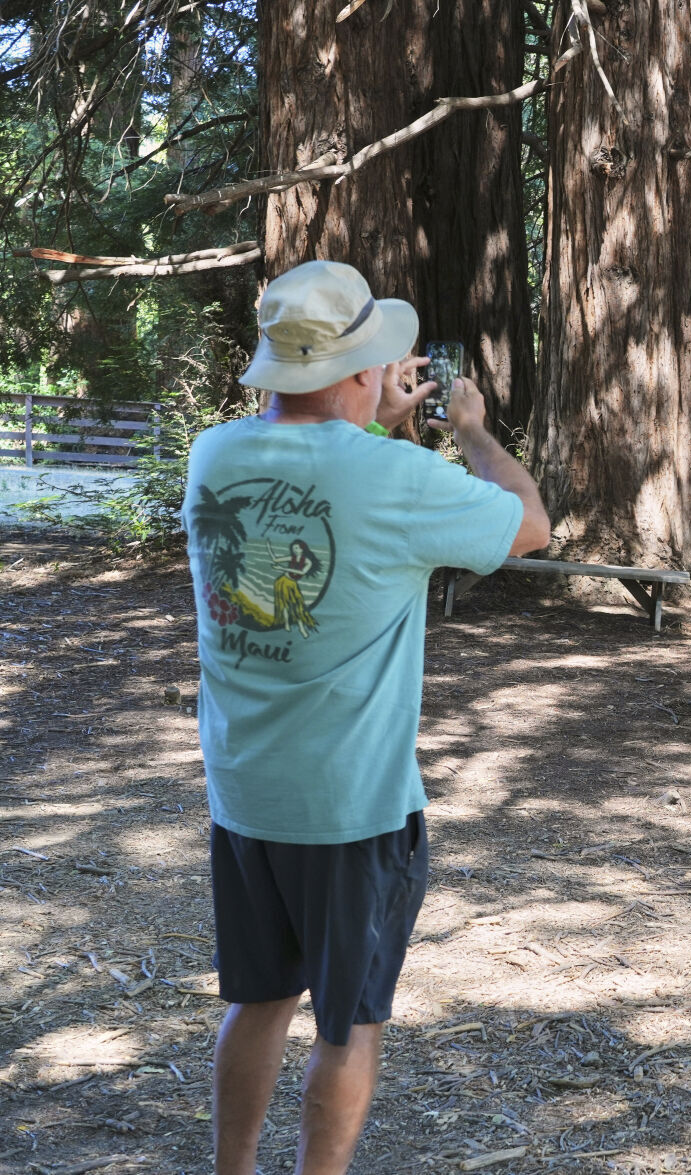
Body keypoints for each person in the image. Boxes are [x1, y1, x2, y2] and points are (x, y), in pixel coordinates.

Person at [182, 260, 550, 1175]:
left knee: (258, 999)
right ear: (356, 371)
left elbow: (321, 467)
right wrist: (470, 431)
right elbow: (529, 524)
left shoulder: (214, 453)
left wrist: (369, 423)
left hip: (245, 792)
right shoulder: (394, 474)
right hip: (350, 806)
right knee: (347, 1020)